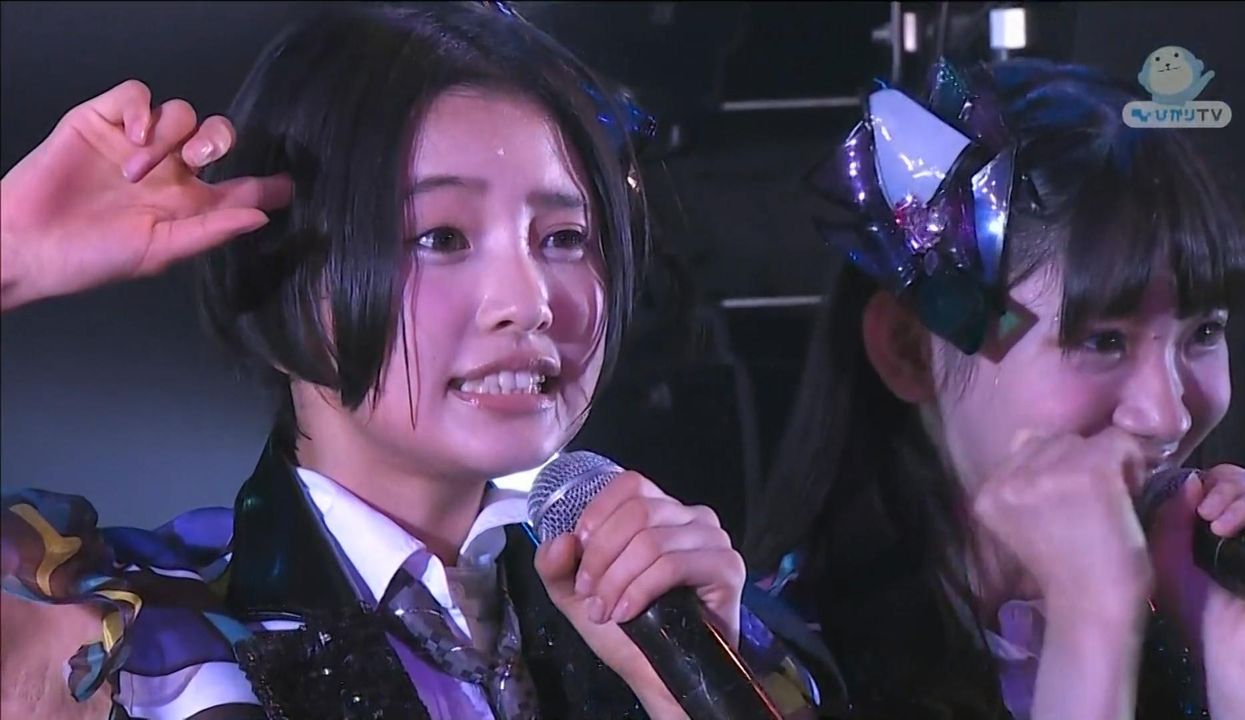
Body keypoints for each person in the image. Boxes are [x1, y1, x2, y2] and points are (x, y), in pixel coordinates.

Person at [0, 4, 837, 719]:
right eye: (440, 237)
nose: (529, 301)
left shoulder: (661, 618)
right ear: (285, 267)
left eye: (563, 237)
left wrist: (683, 688)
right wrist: (11, 253)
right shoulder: (142, 632)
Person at [746, 57, 1245, 720]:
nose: (1168, 415)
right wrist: (1093, 624)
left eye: (1204, 332)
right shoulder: (776, 673)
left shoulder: (1191, 616)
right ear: (910, 351)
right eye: (1104, 341)